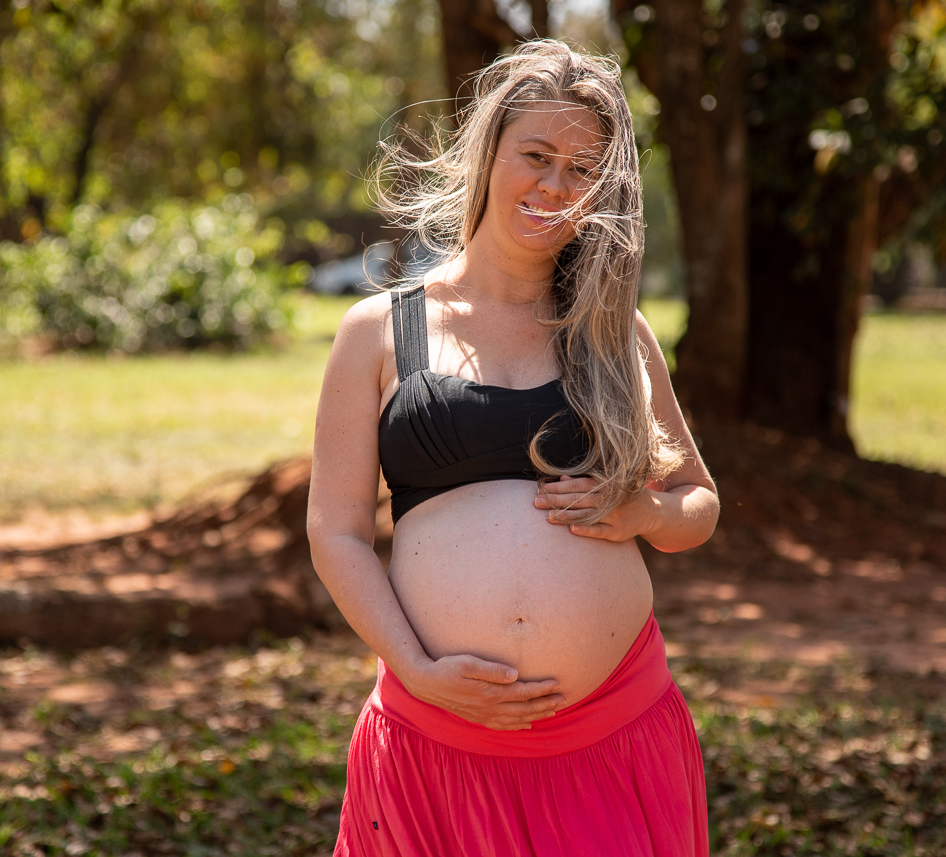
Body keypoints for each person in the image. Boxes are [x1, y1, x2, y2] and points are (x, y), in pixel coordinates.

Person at [306, 39, 720, 857]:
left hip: (614, 729)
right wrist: (415, 667)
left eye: (582, 169)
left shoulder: (613, 332)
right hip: (434, 736)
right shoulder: (381, 330)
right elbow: (337, 530)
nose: (555, 186)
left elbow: (698, 504)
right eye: (536, 155)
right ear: (490, 149)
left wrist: (643, 510)